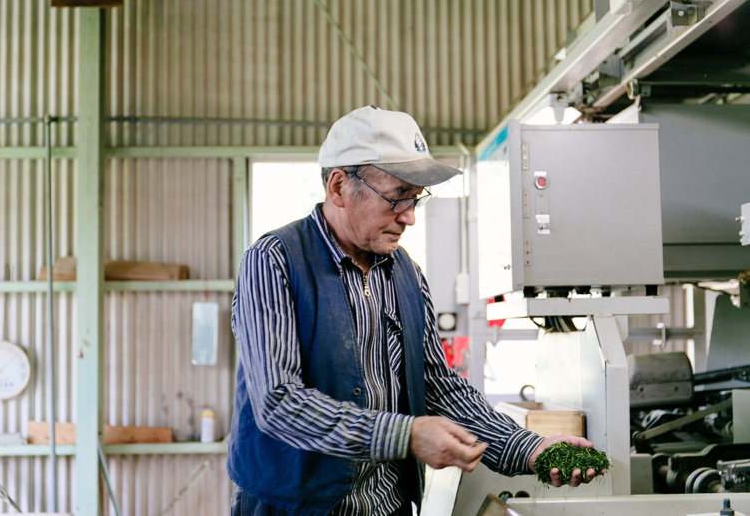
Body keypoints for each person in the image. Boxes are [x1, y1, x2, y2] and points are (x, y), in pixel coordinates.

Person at [227, 105, 601, 515]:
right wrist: (404, 435)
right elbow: (278, 404)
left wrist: (530, 449)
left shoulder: (404, 272)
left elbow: (439, 387)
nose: (409, 218)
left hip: (388, 506)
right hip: (294, 506)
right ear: (338, 187)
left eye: (415, 199)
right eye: (396, 197)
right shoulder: (274, 260)